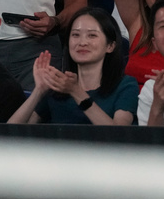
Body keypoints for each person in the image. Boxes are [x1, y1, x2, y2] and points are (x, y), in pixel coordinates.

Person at [8, 7, 137, 125]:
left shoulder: (125, 85)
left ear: (110, 46)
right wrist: (39, 91)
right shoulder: (57, 88)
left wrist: (77, 93)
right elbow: (11, 135)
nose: (82, 42)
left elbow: (119, 136)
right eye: (75, 35)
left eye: (92, 35)